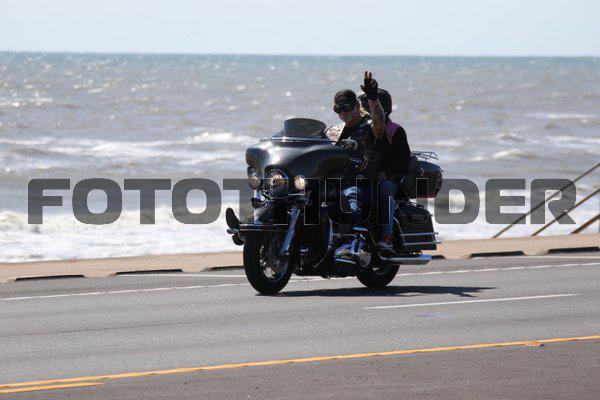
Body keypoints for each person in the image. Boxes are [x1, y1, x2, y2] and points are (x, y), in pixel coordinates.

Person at [324, 71, 386, 243]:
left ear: (357, 106)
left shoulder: (369, 127)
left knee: (351, 202)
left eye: (347, 108)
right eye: (338, 109)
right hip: (332, 184)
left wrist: (373, 98)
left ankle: (351, 242)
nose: (343, 113)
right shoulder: (332, 131)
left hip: (359, 183)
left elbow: (380, 127)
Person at [359, 89, 411, 254]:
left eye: (366, 105)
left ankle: (386, 236)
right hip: (364, 177)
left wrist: (385, 174)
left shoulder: (395, 130)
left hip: (389, 180)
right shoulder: (360, 130)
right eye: (363, 105)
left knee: (385, 187)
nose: (364, 109)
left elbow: (402, 161)